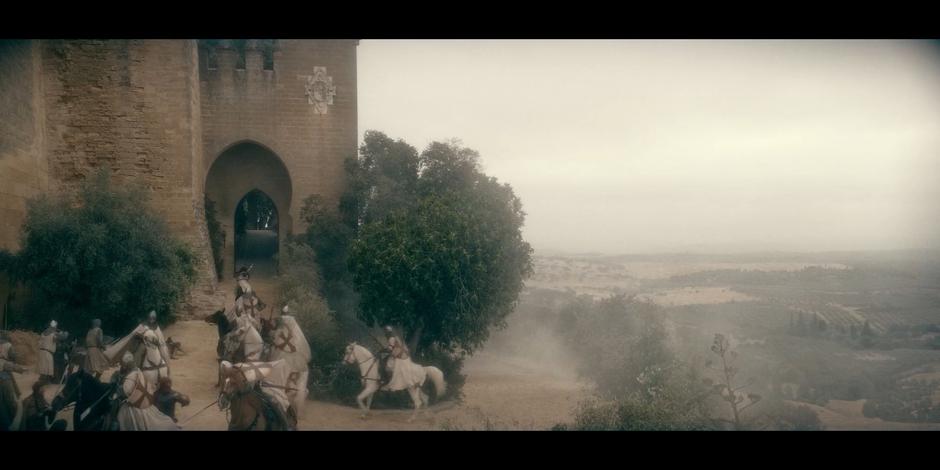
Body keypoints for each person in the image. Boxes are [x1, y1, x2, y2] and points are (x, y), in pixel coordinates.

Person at [111, 352, 180, 431]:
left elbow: (125, 392)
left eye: (123, 364)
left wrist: (117, 393)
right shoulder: (138, 372)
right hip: (144, 404)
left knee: (119, 415)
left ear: (125, 365)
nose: (122, 366)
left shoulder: (131, 376)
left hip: (132, 406)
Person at [267, 305, 311, 412]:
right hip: (297, 358)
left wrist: (272, 337)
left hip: (283, 356)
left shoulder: (281, 327)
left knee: (271, 369)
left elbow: (277, 342)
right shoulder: (295, 328)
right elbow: (298, 344)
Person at [381, 326, 425, 392]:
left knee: (388, 367)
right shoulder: (396, 337)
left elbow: (390, 349)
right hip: (403, 356)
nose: (385, 334)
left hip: (397, 356)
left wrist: (382, 350)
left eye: (386, 332)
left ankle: (388, 382)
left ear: (388, 333)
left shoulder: (391, 339)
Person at [138, 311, 171, 392]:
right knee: (139, 353)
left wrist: (159, 344)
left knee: (164, 353)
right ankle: (137, 370)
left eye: (153, 318)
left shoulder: (157, 327)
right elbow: (138, 333)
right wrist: (142, 335)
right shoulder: (143, 325)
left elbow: (160, 338)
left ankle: (168, 370)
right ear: (148, 317)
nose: (152, 319)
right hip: (144, 344)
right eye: (150, 318)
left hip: (156, 345)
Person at [1, 330, 26, 431]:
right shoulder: (7, 345)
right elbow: (13, 357)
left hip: (4, 370)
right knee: (12, 402)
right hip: (3, 376)